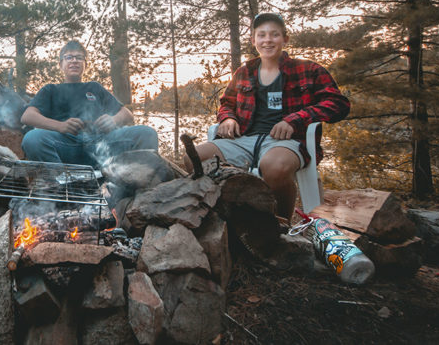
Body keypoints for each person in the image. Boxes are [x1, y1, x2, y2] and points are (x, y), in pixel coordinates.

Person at [185, 13, 350, 219]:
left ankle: (281, 225)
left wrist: (295, 119)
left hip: (287, 142)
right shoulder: (245, 71)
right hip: (243, 139)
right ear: (253, 40)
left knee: (274, 167)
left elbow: (338, 104)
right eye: (261, 35)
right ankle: (226, 217)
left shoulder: (309, 69)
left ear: (285, 39)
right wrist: (228, 118)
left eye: (274, 34)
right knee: (195, 158)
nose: (268, 40)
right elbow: (227, 103)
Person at [21, 40, 158, 167]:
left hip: (102, 143)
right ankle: (61, 180)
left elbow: (127, 114)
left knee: (147, 133)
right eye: (69, 57)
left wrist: (114, 120)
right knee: (32, 139)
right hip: (65, 144)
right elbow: (27, 116)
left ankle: (135, 180)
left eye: (79, 57)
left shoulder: (94, 87)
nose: (74, 61)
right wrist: (60, 126)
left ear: (85, 64)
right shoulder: (50, 89)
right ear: (60, 64)